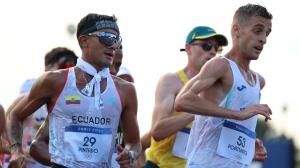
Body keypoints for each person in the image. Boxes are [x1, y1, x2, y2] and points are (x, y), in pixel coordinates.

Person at [7, 13, 141, 168]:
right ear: (84, 41)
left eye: (117, 39)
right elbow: (15, 115)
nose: (113, 45)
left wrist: (130, 154)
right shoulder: (54, 81)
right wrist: (16, 150)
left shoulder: (126, 90)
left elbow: (134, 143)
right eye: (106, 37)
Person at [174, 4, 272, 168]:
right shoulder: (221, 65)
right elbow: (182, 101)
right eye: (258, 30)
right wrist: (238, 115)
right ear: (236, 30)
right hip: (204, 164)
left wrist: (248, 143)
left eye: (267, 33)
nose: (263, 39)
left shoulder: (258, 81)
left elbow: (228, 126)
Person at [144, 26, 228, 168]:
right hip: (160, 165)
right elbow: (158, 131)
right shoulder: (172, 81)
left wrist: (249, 145)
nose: (213, 51)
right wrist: (199, 111)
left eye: (217, 48)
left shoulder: (220, 89)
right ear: (188, 48)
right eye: (207, 46)